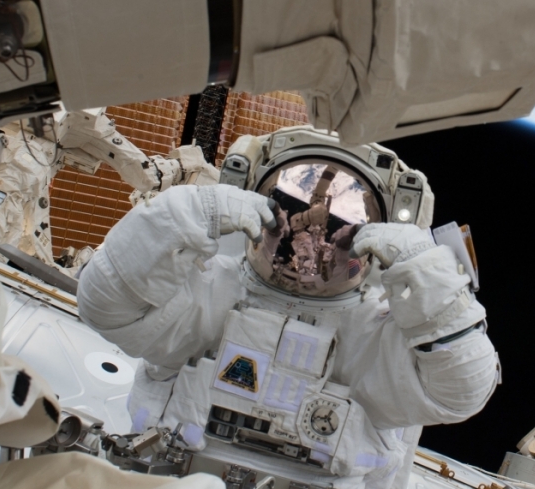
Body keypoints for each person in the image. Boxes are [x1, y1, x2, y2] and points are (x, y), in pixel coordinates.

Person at [77, 126, 499, 489]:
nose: (317, 237)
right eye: (293, 209)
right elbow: (105, 304)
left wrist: (429, 276)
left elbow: (462, 392)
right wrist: (183, 215)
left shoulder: (377, 336)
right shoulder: (211, 293)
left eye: (336, 223)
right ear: (257, 205)